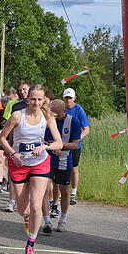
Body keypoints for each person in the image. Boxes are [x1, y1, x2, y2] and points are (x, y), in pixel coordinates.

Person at [0, 84, 63, 254]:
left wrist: (46, 146)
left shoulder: (47, 117)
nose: (35, 102)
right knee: (23, 208)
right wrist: (13, 154)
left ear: (44, 100)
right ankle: (27, 218)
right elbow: (1, 137)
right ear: (28, 99)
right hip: (19, 163)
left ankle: (30, 245)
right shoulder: (18, 116)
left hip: (40, 163)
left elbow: (59, 143)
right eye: (33, 99)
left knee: (36, 205)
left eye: (39, 99)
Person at [42, 99, 81, 233]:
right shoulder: (47, 121)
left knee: (64, 189)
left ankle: (63, 219)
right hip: (47, 158)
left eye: (56, 113)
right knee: (45, 188)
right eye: (52, 112)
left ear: (64, 111)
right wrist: (50, 147)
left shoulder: (73, 121)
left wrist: (61, 146)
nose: (53, 115)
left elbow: (75, 144)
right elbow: (43, 139)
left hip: (64, 158)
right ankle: (47, 221)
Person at [3, 81, 32, 212]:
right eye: (20, 90)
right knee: (13, 174)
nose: (22, 92)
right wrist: (8, 145)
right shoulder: (16, 106)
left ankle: (30, 201)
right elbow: (10, 127)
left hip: (33, 146)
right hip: (16, 144)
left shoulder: (37, 105)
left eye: (24, 90)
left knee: (30, 174)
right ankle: (11, 201)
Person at [62, 88, 90, 205]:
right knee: (61, 168)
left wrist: (77, 138)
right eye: (66, 98)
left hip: (74, 145)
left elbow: (87, 129)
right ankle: (62, 191)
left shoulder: (78, 109)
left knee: (74, 167)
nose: (68, 100)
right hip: (62, 144)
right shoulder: (61, 109)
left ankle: (73, 193)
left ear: (74, 98)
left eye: (70, 98)